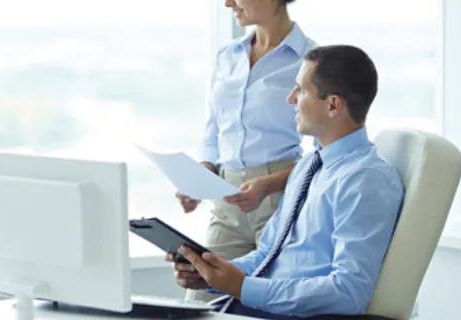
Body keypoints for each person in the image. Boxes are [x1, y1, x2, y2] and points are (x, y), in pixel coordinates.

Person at [169, 44, 404, 319]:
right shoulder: (308, 166)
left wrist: (244, 287)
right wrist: (213, 273)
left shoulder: (365, 180)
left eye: (301, 90)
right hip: (258, 307)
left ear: (333, 105)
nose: (291, 99)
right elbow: (269, 253)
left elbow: (349, 291)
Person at [177, 0, 317, 302]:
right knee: (200, 305)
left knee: (272, 304)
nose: (227, 3)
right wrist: (202, 175)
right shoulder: (228, 56)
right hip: (226, 204)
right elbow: (213, 129)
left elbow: (323, 155)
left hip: (280, 202)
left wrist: (268, 184)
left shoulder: (311, 62)